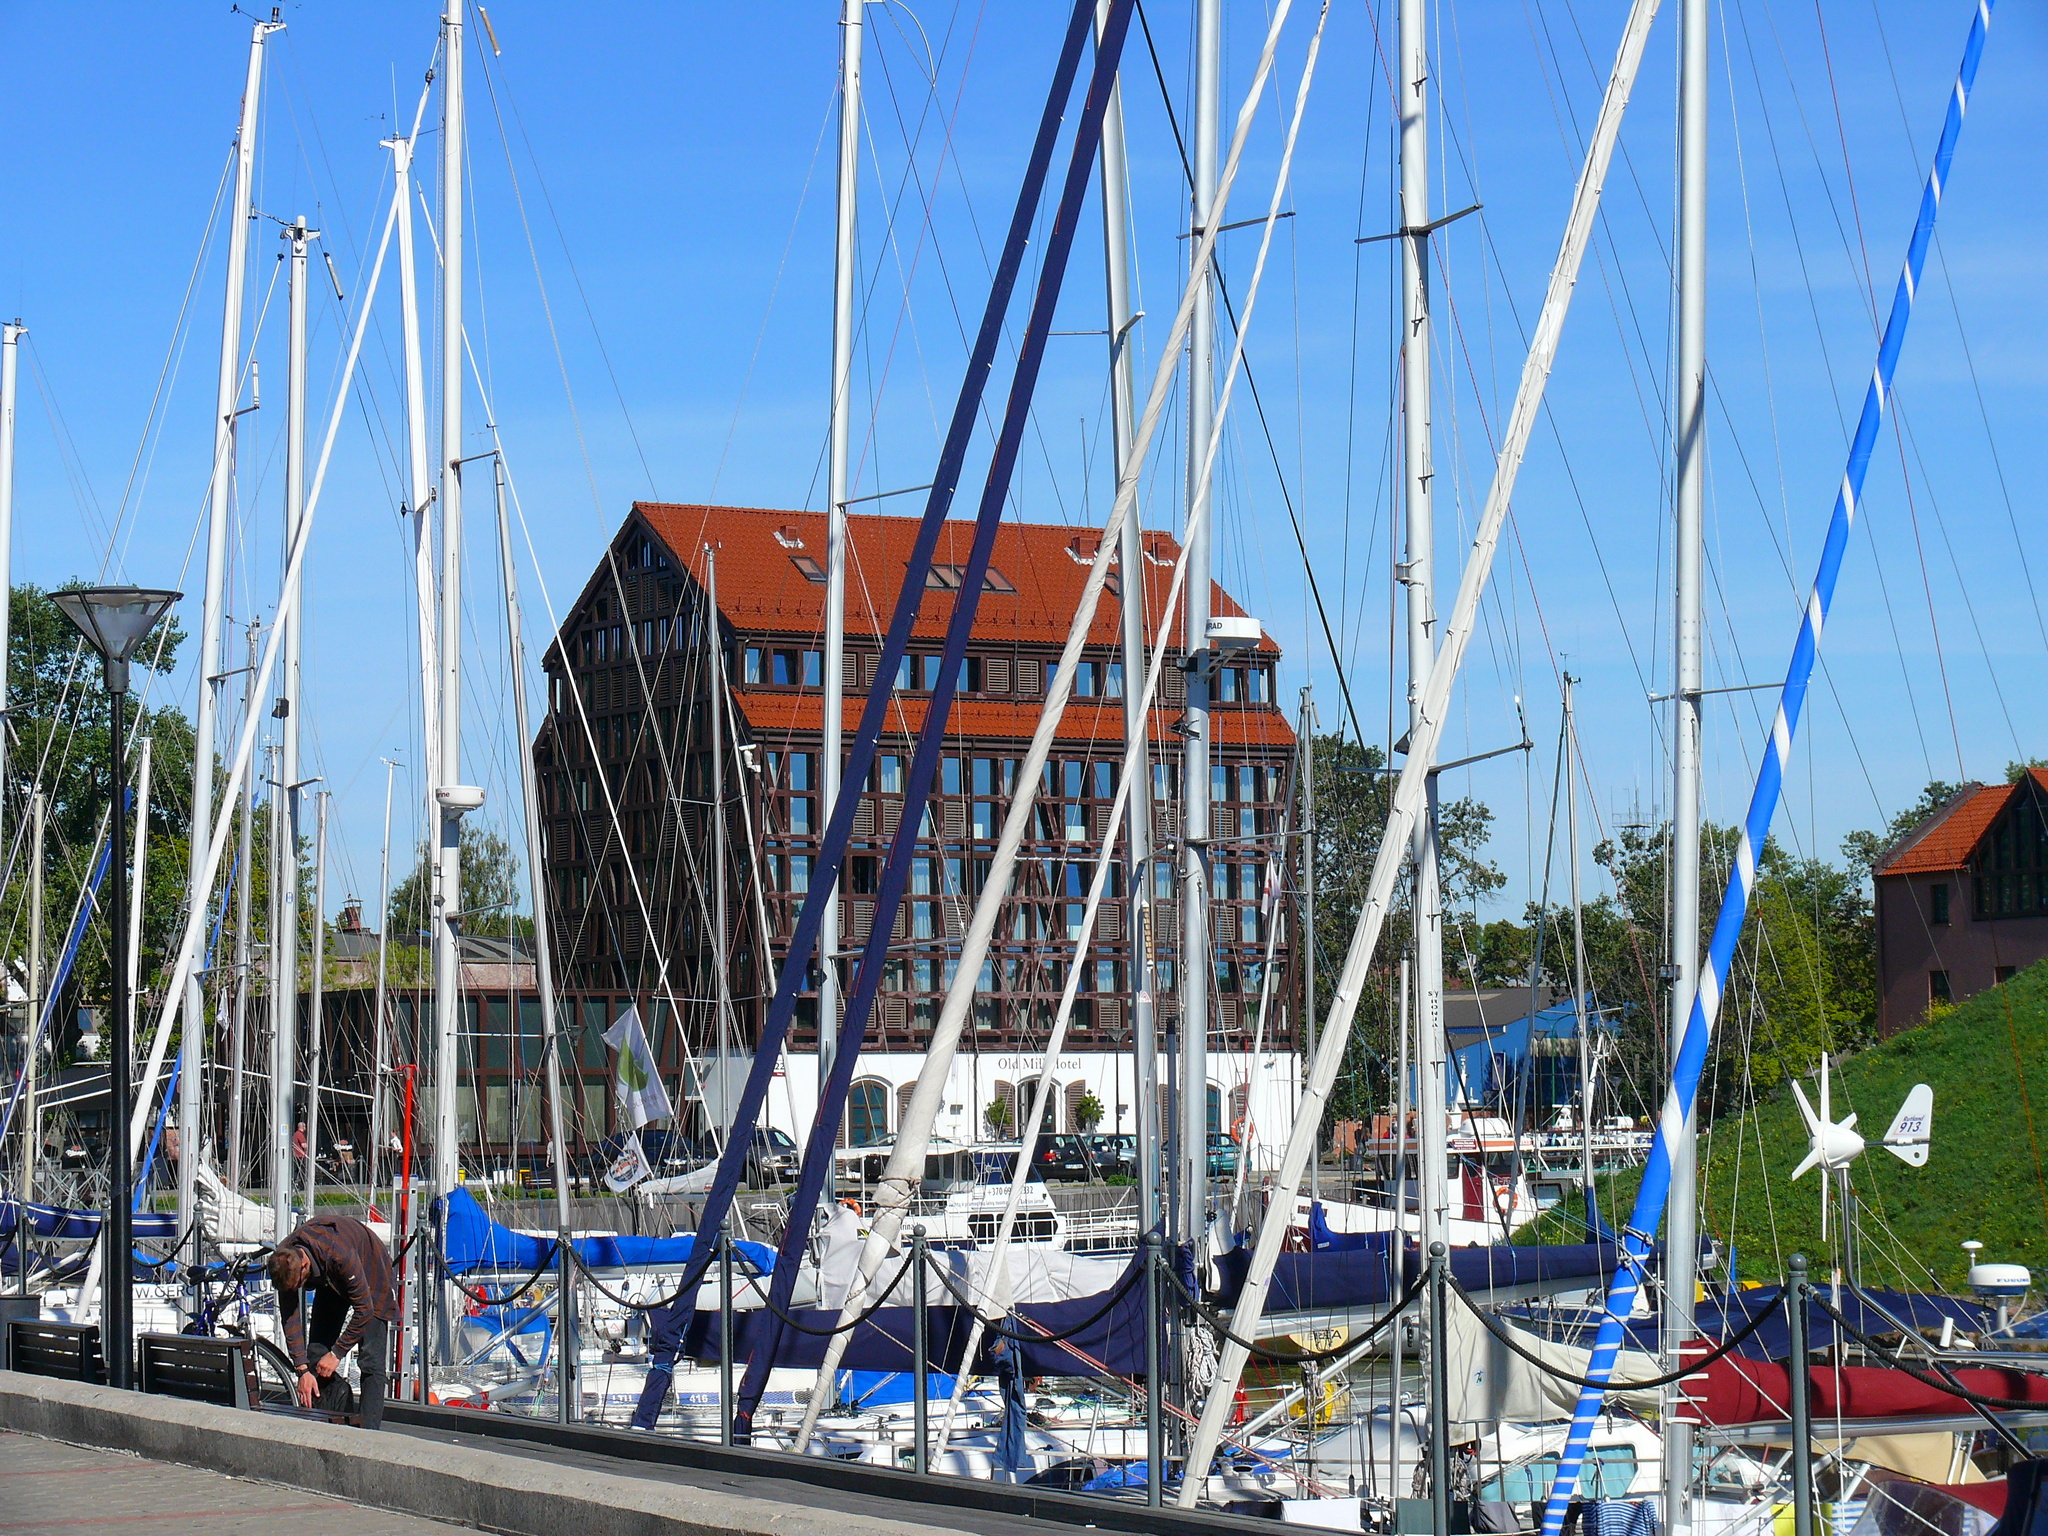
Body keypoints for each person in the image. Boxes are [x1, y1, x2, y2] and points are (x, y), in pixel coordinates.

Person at [266, 1214, 395, 1428]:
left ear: (304, 1265)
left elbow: (365, 1310)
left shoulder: (338, 1253)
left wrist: (337, 1354)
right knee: (316, 1353)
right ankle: (333, 1414)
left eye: (299, 1284)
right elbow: (290, 1318)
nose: (296, 1290)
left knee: (371, 1362)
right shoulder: (284, 1260)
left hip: (370, 1269)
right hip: (329, 1279)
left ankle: (369, 1433)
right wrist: (302, 1370)